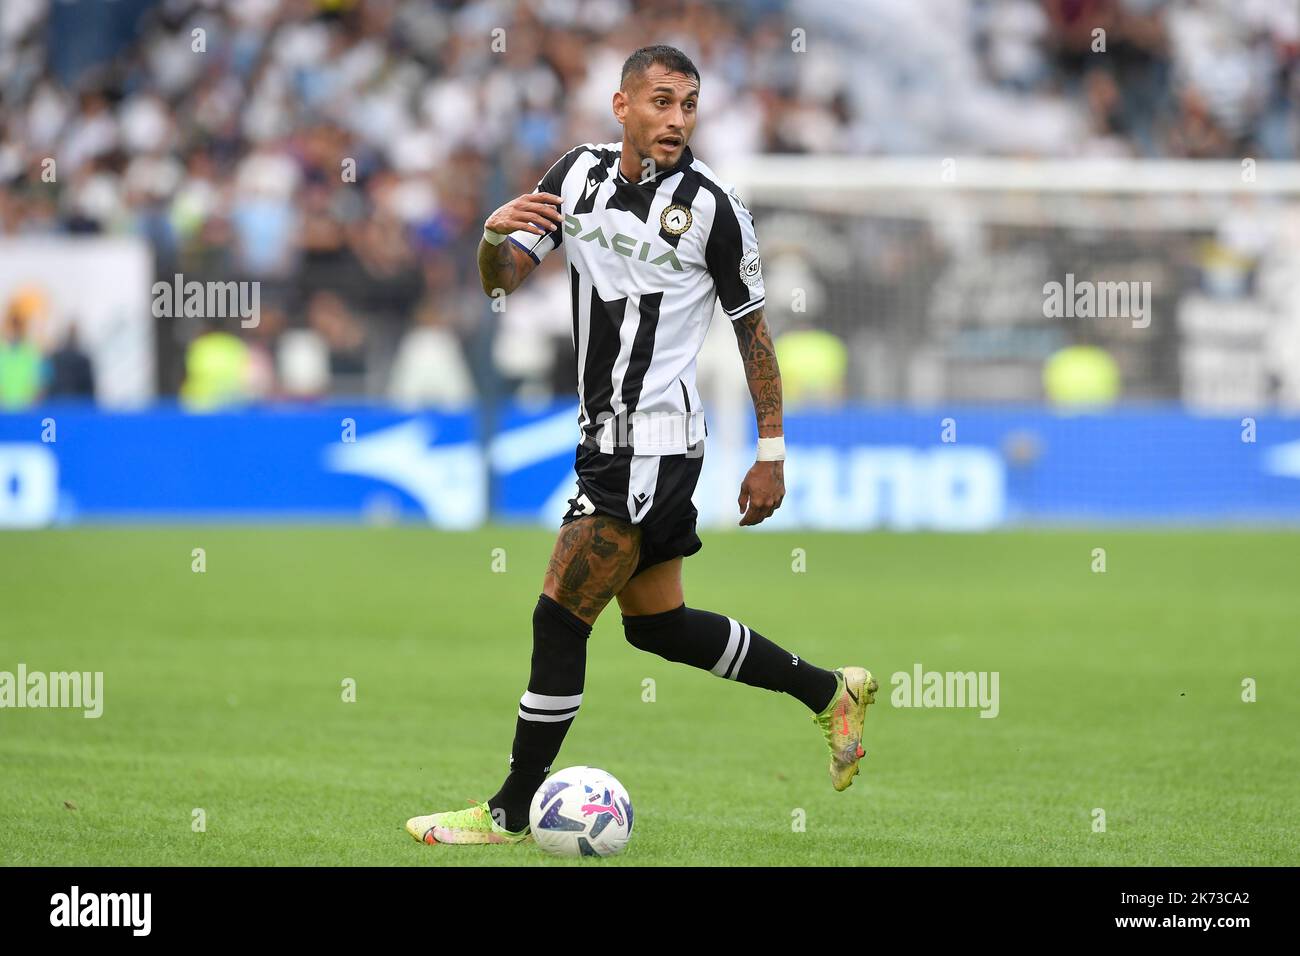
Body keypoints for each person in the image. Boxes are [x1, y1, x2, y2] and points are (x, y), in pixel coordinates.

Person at [406, 46, 878, 847]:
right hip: (605, 438)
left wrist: (771, 450)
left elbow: (754, 332)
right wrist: (491, 237)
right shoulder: (576, 175)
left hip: (652, 446)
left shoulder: (715, 207)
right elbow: (500, 283)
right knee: (657, 625)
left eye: (689, 105)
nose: (677, 119)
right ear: (621, 105)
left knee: (559, 620)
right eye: (661, 102)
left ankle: (510, 810)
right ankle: (831, 692)